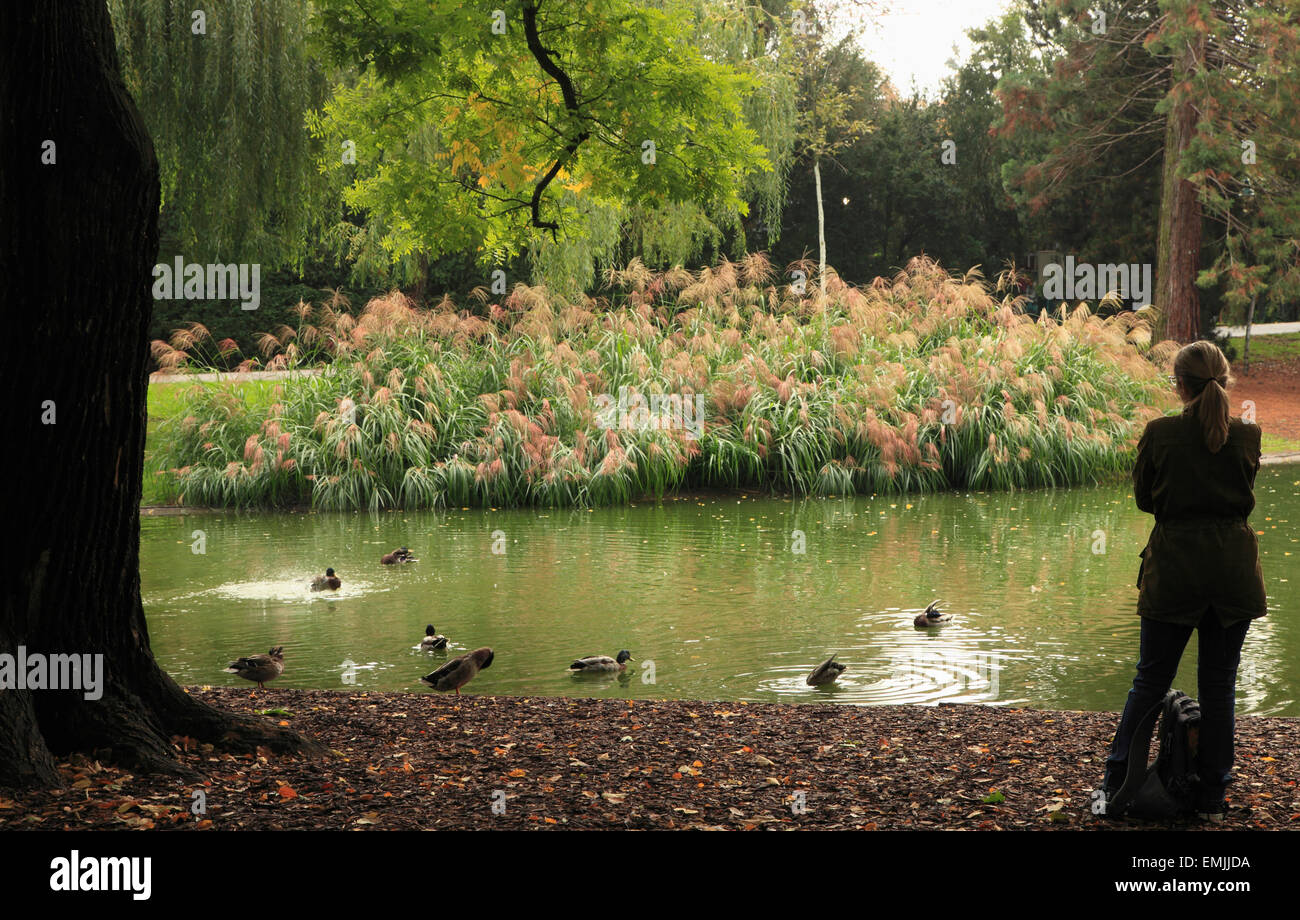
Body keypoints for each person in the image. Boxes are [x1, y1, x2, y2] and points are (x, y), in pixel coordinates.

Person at [1099, 340, 1267, 821]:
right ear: (1223, 381)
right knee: (1219, 687)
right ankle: (1213, 795)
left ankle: (1117, 785)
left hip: (1174, 569)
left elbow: (1146, 499)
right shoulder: (1249, 436)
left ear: (1179, 384)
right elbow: (1241, 496)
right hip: (1233, 574)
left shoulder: (1159, 433)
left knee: (1150, 680)